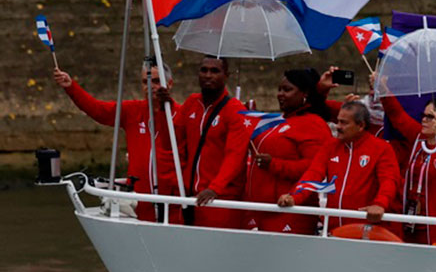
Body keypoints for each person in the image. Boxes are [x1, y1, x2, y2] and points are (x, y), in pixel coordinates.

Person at [53, 60, 178, 222]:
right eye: (145, 82)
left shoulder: (181, 115)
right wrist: (71, 87)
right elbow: (98, 110)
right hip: (140, 201)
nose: (149, 86)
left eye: (155, 81)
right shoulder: (131, 111)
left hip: (173, 201)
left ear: (169, 84)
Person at [278, 101, 400, 231]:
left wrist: (380, 204)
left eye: (344, 123)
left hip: (367, 229)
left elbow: (389, 181)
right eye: (338, 121)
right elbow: (313, 174)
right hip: (334, 229)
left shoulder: (381, 148)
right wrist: (294, 196)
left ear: (361, 125)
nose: (338, 126)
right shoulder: (330, 146)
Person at [159, 56, 249, 228]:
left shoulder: (235, 110)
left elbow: (235, 156)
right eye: (204, 70)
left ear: (226, 75)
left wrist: (215, 188)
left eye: (215, 71)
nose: (208, 75)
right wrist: (164, 110)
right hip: (189, 198)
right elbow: (170, 142)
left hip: (219, 200)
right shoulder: (192, 102)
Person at [243, 69, 334, 234]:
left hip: (289, 212)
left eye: (287, 90)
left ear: (305, 93)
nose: (280, 94)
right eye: (279, 89)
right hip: (259, 210)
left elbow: (315, 169)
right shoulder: (278, 121)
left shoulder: (313, 124)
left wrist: (274, 164)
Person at [381, 95, 436, 247]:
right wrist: (383, 90)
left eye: (430, 117)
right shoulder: (419, 139)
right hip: (412, 222)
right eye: (423, 115)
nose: (424, 120)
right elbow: (398, 116)